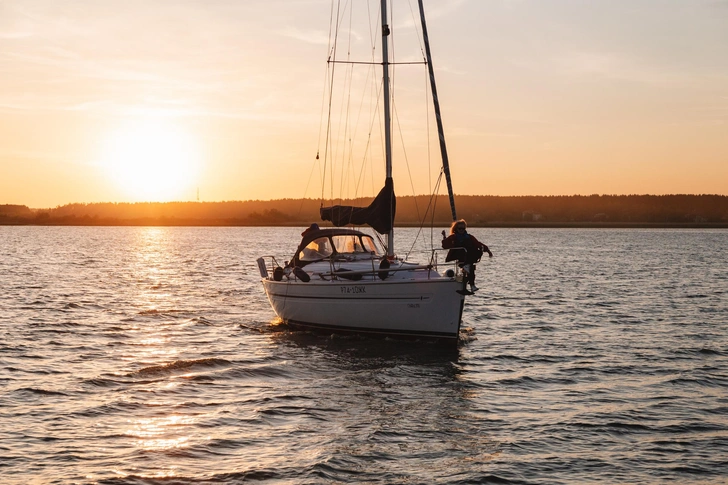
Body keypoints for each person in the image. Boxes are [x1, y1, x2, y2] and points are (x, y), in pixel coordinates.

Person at [441, 219, 492, 292]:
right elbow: (445, 245)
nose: (461, 230)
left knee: (472, 266)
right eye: (460, 228)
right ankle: (470, 284)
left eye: (463, 228)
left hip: (469, 256)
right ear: (456, 229)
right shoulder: (453, 237)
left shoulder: (469, 237)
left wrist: (488, 250)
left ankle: (471, 285)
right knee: (469, 266)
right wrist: (444, 236)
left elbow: (478, 243)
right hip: (460, 256)